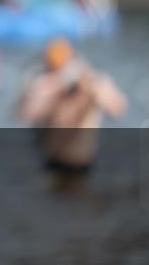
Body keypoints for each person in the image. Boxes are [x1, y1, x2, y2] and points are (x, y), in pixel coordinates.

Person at [18, 39, 128, 187]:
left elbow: (119, 109)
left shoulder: (92, 84)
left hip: (81, 166)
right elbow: (26, 113)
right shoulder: (47, 85)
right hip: (50, 163)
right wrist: (59, 84)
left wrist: (91, 85)